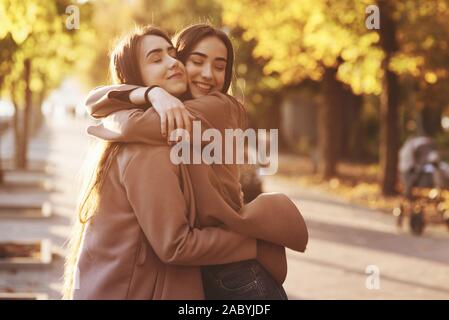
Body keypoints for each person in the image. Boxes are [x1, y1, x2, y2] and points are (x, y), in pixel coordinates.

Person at [76, 24, 308, 300]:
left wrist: (151, 94)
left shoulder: (217, 107)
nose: (208, 74)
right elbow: (100, 104)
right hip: (209, 267)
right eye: (196, 61)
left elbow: (122, 121)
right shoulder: (155, 138)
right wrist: (152, 94)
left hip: (233, 270)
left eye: (220, 67)